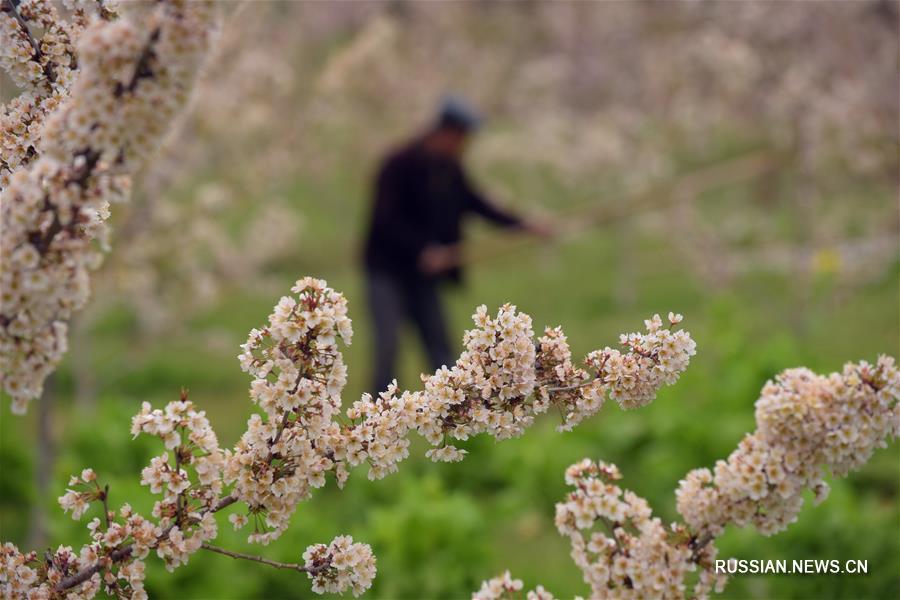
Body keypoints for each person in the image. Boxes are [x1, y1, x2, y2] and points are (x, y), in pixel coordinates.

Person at [362, 95, 551, 394]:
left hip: (423, 278)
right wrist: (422, 250)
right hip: (388, 271)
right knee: (387, 344)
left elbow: (476, 204)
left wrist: (522, 225)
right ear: (446, 132)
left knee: (439, 346)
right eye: (462, 138)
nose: (464, 145)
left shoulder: (449, 169)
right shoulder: (399, 164)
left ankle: (453, 405)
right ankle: (375, 418)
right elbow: (386, 221)